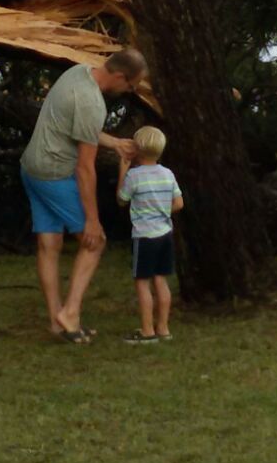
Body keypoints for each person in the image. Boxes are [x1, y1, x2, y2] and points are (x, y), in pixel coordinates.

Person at [20, 50, 144, 343]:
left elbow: (74, 125)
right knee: (94, 242)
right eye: (130, 85)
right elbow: (85, 168)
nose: (129, 91)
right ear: (119, 76)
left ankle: (56, 321)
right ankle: (71, 312)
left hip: (31, 168)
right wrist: (92, 220)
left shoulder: (78, 72)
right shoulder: (92, 103)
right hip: (53, 174)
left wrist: (113, 142)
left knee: (49, 243)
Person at [117, 126, 183, 344]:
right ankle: (163, 327)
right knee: (161, 281)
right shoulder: (167, 174)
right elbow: (179, 203)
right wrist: (162, 211)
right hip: (165, 234)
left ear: (137, 149)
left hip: (144, 236)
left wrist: (122, 171)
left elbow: (121, 199)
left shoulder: (134, 176)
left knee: (142, 283)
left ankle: (147, 331)